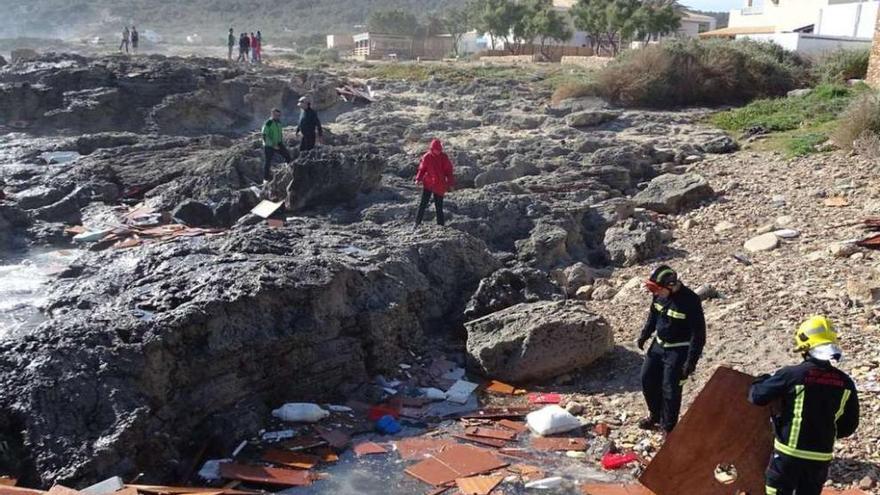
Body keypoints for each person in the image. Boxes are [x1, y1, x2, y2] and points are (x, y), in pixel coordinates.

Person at [749, 316, 859, 495]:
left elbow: (757, 396)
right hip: (820, 458)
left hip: (788, 456)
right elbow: (849, 426)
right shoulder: (845, 382)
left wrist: (762, 379)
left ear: (804, 345)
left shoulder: (792, 375)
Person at [637, 265, 706, 433]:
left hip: (678, 351)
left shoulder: (690, 301)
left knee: (671, 389)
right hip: (658, 345)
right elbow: (653, 316)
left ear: (671, 286)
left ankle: (668, 428)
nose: (655, 294)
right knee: (647, 379)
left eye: (657, 289)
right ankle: (655, 415)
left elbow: (699, 334)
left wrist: (691, 361)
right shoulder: (659, 296)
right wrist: (645, 334)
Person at [414, 139, 454, 227]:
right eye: (436, 150)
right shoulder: (426, 157)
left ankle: (441, 225)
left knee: (439, 206)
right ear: (432, 149)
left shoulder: (444, 157)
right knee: (423, 204)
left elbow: (449, 171)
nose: (438, 152)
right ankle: (417, 223)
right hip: (428, 183)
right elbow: (422, 169)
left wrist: (450, 183)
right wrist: (418, 179)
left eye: (439, 150)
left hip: (440, 184)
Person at [261, 108, 291, 182]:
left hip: (278, 143)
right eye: (275, 115)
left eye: (278, 115)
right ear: (272, 114)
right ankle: (265, 178)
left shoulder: (279, 122)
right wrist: (272, 144)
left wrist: (280, 142)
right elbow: (264, 135)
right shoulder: (269, 122)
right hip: (269, 145)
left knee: (287, 155)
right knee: (268, 161)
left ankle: (289, 170)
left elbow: (279, 133)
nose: (277, 116)